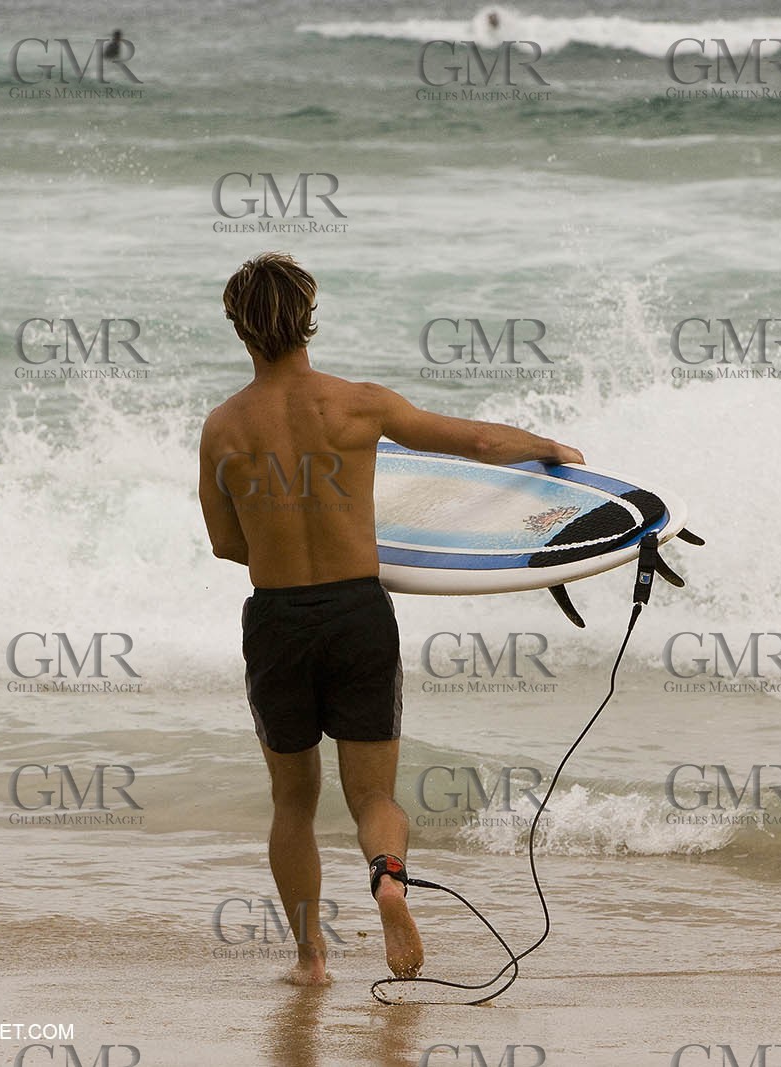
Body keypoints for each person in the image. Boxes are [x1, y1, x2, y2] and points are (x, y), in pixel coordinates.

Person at [197, 252, 582, 986]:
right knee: (373, 794)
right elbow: (474, 443)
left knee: (293, 801)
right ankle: (389, 878)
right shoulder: (360, 405)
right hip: (357, 612)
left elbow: (225, 543)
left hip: (278, 619)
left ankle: (311, 960)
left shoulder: (223, 429)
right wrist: (547, 448)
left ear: (240, 329)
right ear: (309, 319)